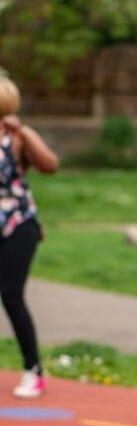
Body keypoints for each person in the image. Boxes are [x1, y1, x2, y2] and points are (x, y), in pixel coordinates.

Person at [0, 75, 59, 398]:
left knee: (10, 293)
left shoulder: (17, 138)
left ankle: (33, 370)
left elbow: (51, 165)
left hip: (18, 224)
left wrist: (24, 132)